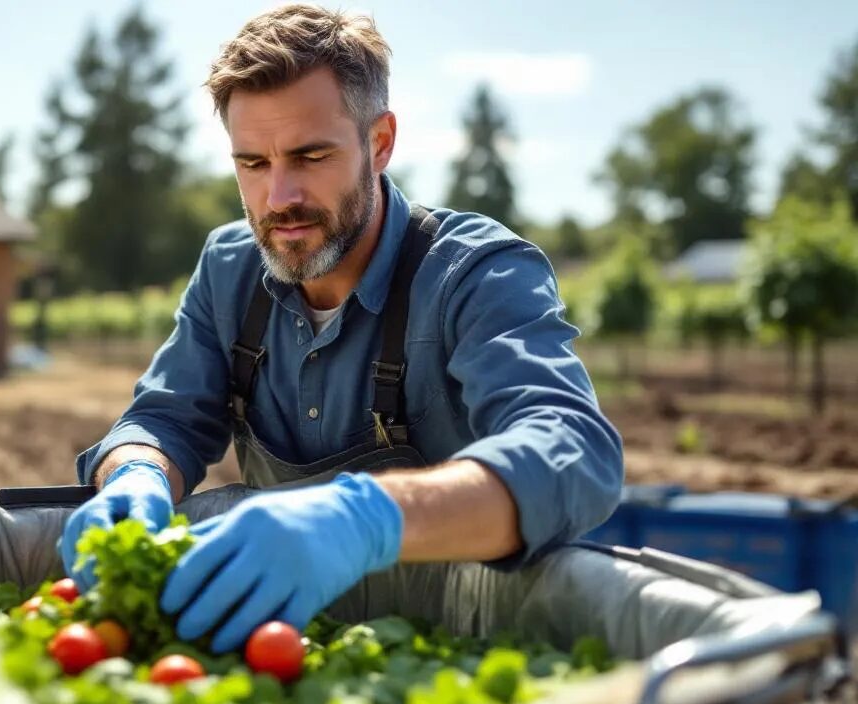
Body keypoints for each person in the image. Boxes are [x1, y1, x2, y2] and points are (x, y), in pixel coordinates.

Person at [60, 3, 623, 653]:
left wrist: (365, 520)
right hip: (278, 647)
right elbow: (166, 419)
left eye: (310, 156)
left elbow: (574, 452)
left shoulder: (475, 273)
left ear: (379, 143)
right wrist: (137, 472)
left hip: (460, 649)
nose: (279, 199)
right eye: (253, 164)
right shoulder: (228, 269)